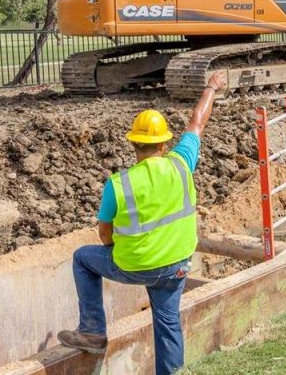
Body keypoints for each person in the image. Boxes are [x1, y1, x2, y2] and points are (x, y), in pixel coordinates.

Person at [57, 70, 228, 375]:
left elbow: (105, 235)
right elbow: (197, 124)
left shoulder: (118, 184)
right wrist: (212, 87)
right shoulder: (180, 164)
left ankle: (93, 332)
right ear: (164, 144)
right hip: (176, 265)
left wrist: (120, 248)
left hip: (133, 265)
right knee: (168, 322)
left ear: (133, 145)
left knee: (82, 259)